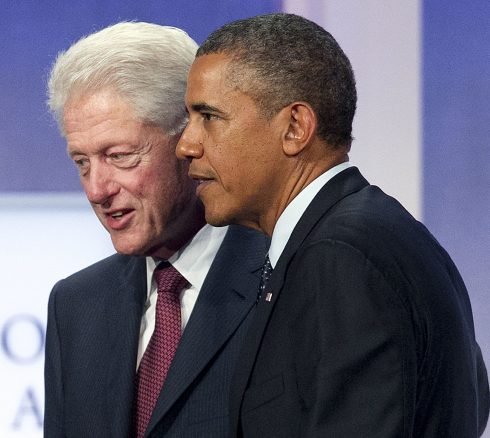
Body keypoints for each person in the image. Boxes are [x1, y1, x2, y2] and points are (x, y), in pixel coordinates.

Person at [176, 13, 489, 438]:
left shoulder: (340, 258)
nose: (186, 145)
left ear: (295, 128)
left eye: (209, 117)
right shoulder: (385, 235)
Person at [44, 22, 268, 437]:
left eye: (120, 156)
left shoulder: (284, 278)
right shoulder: (76, 306)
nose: (97, 190)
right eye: (82, 162)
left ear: (190, 140)